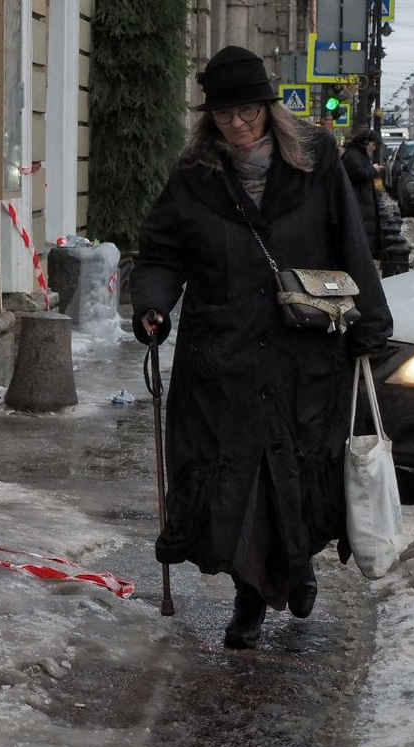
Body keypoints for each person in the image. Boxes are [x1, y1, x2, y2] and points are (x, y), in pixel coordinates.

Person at [131, 46, 393, 650]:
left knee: (295, 474)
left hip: (303, 354)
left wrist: (370, 322)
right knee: (242, 483)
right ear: (209, 119)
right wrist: (152, 304)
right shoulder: (195, 176)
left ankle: (298, 569)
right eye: (224, 114)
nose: (238, 124)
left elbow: (349, 242)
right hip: (224, 357)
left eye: (248, 110)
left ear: (269, 108)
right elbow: (163, 253)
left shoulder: (317, 159)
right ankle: (249, 600)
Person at [341, 130, 384, 258]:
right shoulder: (352, 155)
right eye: (373, 144)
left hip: (363, 202)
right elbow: (359, 173)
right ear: (365, 142)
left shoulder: (359, 154)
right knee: (361, 237)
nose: (374, 148)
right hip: (359, 202)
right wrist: (373, 169)